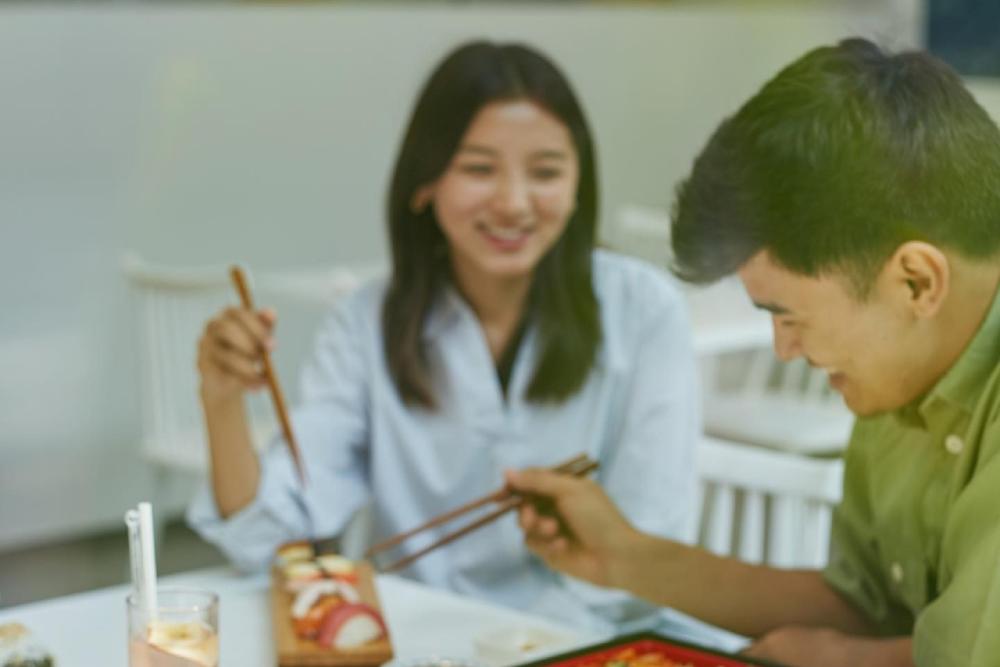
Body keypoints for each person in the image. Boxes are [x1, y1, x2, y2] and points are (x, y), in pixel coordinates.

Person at [508, 37, 1000, 667]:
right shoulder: (904, 365)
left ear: (916, 282)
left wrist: (843, 660)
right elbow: (866, 606)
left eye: (790, 315)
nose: (785, 350)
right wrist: (623, 557)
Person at [187, 40, 701, 635]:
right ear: (424, 182)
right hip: (421, 638)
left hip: (588, 641)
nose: (513, 202)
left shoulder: (644, 311)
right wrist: (221, 400)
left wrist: (510, 646)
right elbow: (271, 538)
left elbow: (649, 551)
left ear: (579, 183)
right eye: (479, 169)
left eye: (546, 172)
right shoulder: (364, 322)